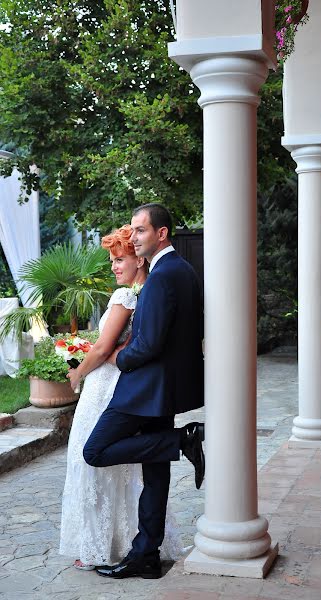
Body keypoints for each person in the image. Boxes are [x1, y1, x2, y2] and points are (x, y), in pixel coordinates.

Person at [83, 203, 205, 580]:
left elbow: (148, 344)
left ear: (161, 233)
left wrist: (118, 358)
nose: (133, 238)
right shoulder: (179, 270)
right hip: (161, 389)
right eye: (133, 231)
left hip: (144, 389)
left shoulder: (164, 275)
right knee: (155, 476)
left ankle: (182, 440)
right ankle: (145, 555)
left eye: (139, 230)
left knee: (96, 450)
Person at [59, 224, 181, 570]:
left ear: (138, 262)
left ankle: (100, 545)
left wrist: (77, 371)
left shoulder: (125, 297)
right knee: (119, 471)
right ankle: (114, 542)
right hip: (119, 382)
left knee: (92, 462)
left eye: (120, 259)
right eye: (112, 260)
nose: (114, 266)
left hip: (104, 388)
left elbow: (101, 348)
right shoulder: (139, 295)